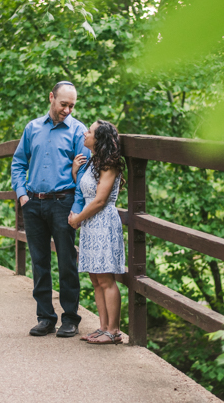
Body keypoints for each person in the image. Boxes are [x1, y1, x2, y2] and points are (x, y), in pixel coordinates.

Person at [11, 81, 91, 338]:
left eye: (72, 106)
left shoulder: (79, 132)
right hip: (33, 203)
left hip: (63, 203)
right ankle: (45, 317)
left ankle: (70, 318)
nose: (67, 110)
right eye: (63, 104)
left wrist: (76, 210)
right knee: (39, 262)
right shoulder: (32, 128)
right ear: (51, 98)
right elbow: (18, 162)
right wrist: (22, 195)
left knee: (67, 261)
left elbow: (84, 176)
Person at [68, 120, 126, 345]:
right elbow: (88, 192)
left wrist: (77, 219)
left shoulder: (109, 165)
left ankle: (114, 331)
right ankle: (102, 328)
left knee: (106, 278)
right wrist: (75, 172)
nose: (85, 133)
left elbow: (100, 200)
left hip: (102, 222)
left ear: (99, 138)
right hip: (90, 224)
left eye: (90, 131)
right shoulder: (94, 162)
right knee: (95, 277)